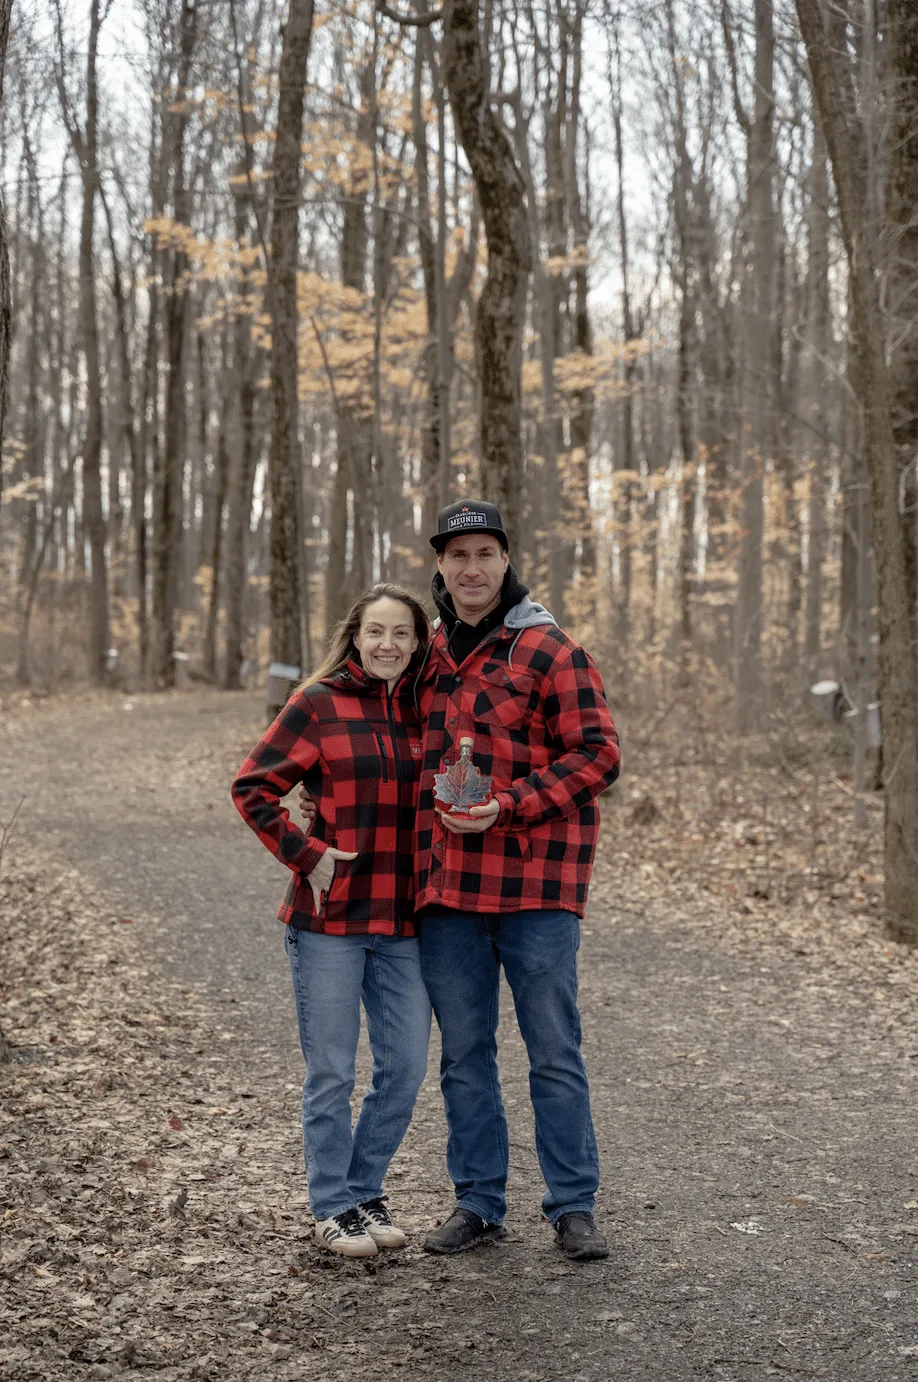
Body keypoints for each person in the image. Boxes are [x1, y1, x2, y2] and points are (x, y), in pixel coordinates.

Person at [416, 500, 621, 1261]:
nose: (471, 568)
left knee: (553, 1053)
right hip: (447, 895)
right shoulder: (426, 655)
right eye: (457, 554)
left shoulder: (550, 650)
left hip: (536, 889)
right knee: (465, 1056)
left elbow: (599, 755)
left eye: (485, 553)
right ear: (440, 565)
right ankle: (478, 1204)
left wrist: (511, 806)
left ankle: (573, 1207)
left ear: (506, 562)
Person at [231, 584, 433, 1258]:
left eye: (401, 634)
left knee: (404, 1066)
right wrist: (305, 853)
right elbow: (253, 786)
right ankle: (331, 1205)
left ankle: (362, 1189)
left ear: (417, 642)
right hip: (329, 919)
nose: (388, 645)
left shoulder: (424, 711)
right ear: (355, 636)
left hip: (404, 920)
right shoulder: (318, 703)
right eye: (376, 632)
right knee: (332, 1072)